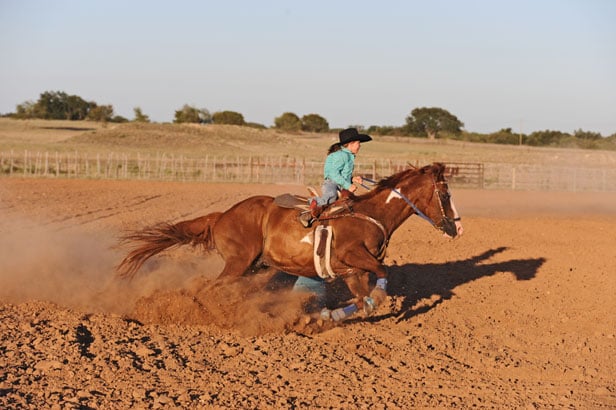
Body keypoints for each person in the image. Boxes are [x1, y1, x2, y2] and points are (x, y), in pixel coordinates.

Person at [300, 127, 372, 227]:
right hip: (332, 183)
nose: (360, 146)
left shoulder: (348, 156)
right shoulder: (342, 156)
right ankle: (313, 202)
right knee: (332, 196)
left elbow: (342, 174)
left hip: (340, 184)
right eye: (358, 143)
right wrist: (348, 185)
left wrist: (352, 179)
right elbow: (333, 174)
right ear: (351, 144)